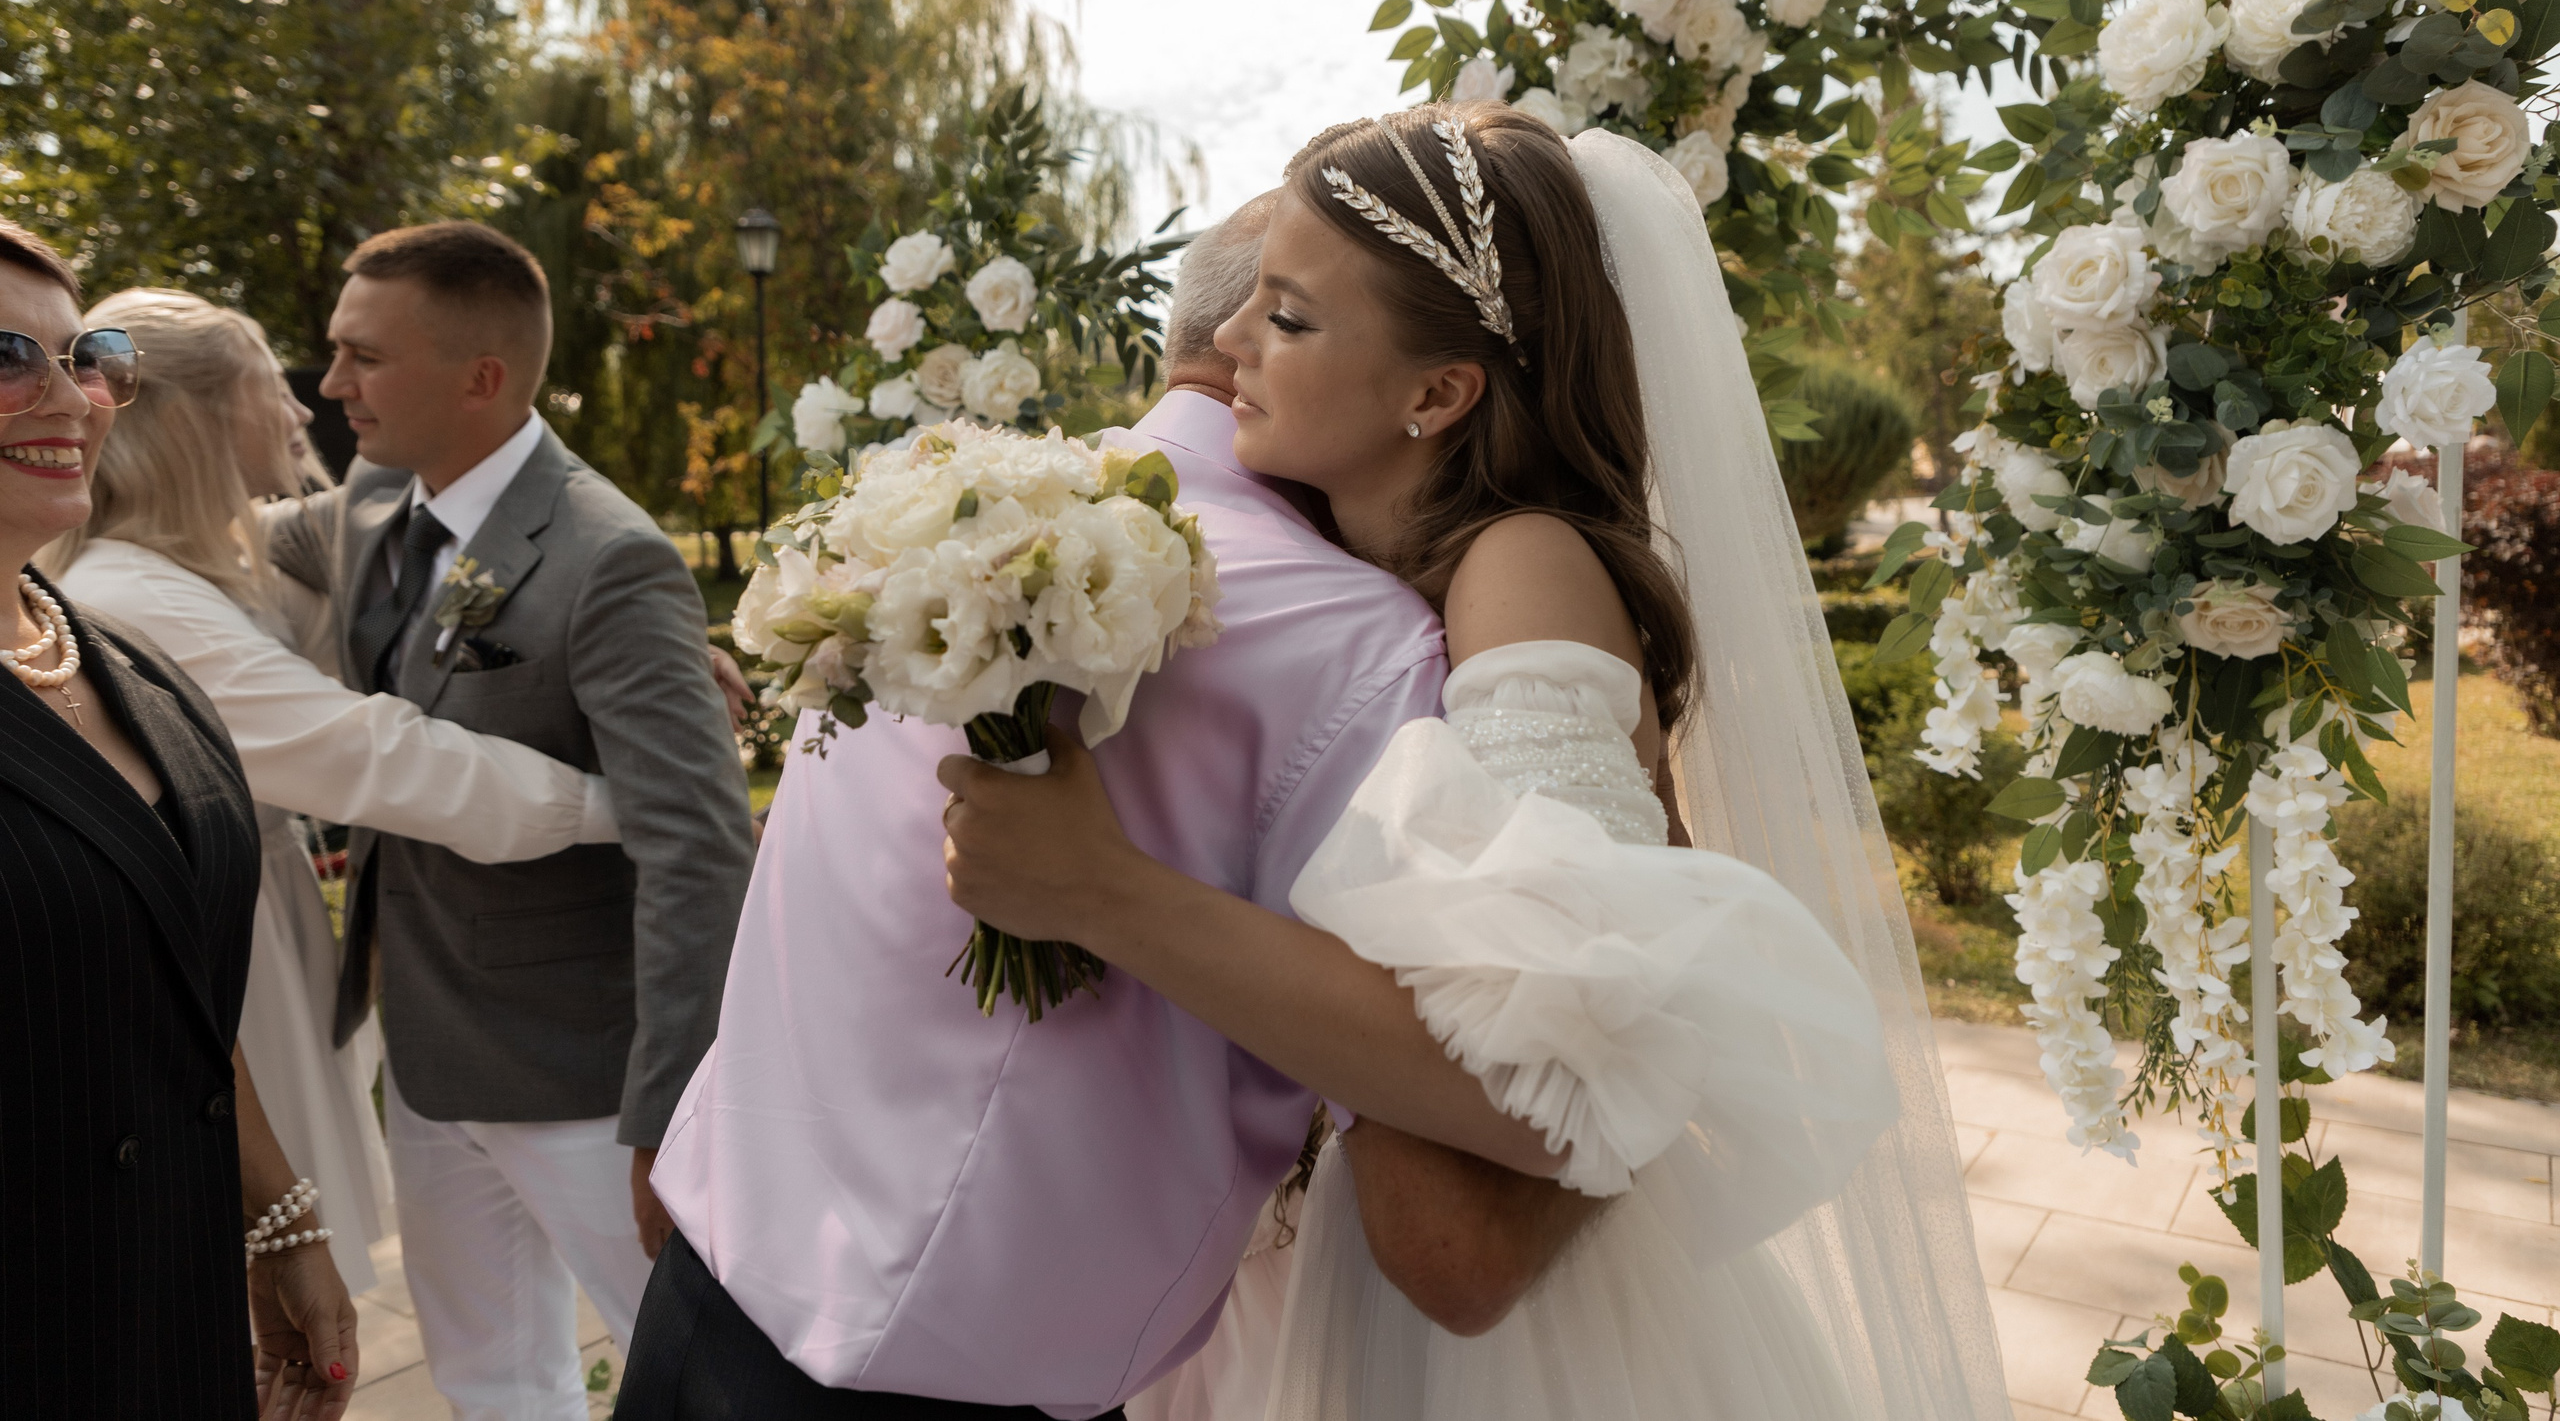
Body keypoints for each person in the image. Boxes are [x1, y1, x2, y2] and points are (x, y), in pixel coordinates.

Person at [936, 107, 2013, 1419]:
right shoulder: (1409, 580)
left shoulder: (1519, 568)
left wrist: (1101, 890)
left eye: (1286, 317)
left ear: (1438, 392)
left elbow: (1463, 1236)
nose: (1223, 348)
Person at [619, 187, 1464, 1420]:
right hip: (958, 1378)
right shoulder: (1360, 644)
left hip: (705, 1301)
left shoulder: (912, 521)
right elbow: (1390, 1061)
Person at [41, 286, 628, 1299]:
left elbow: (420, 534)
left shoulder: (202, 573)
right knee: (231, 1302)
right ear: (195, 418)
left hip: (264, 942)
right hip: (223, 977)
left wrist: (616, 630)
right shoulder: (134, 600)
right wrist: (623, 807)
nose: (303, 411)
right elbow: (382, 756)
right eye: (273, 387)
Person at [267, 221, 755, 1421]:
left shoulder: (611, 559)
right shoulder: (376, 505)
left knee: (696, 1383)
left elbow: (698, 848)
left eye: (362, 358)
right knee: (492, 1382)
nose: (329, 388)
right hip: (427, 1058)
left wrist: (669, 1113)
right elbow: (215, 531)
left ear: (481, 377)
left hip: (588, 1081)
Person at [0, 220, 359, 1418]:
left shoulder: (125, 664)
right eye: (9, 356)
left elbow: (171, 989)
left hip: (170, 1308)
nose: (75, 396)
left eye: (87, 355)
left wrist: (278, 1223)